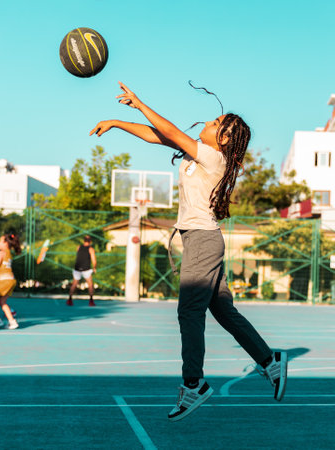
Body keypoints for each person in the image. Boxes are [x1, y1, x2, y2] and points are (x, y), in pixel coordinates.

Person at [90, 82, 288, 422]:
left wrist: (139, 103)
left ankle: (194, 383)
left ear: (224, 139)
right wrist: (118, 123)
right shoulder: (199, 151)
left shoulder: (214, 156)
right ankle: (270, 360)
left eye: (214, 123)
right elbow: (158, 136)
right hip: (200, 240)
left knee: (189, 311)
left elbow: (167, 129)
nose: (207, 124)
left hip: (202, 241)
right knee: (223, 311)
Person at [67, 235, 97, 306]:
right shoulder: (91, 249)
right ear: (90, 241)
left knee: (74, 284)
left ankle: (69, 300)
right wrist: (94, 267)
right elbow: (94, 260)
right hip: (86, 269)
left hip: (77, 269)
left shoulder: (78, 247)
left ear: (84, 241)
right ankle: (91, 301)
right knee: (90, 285)